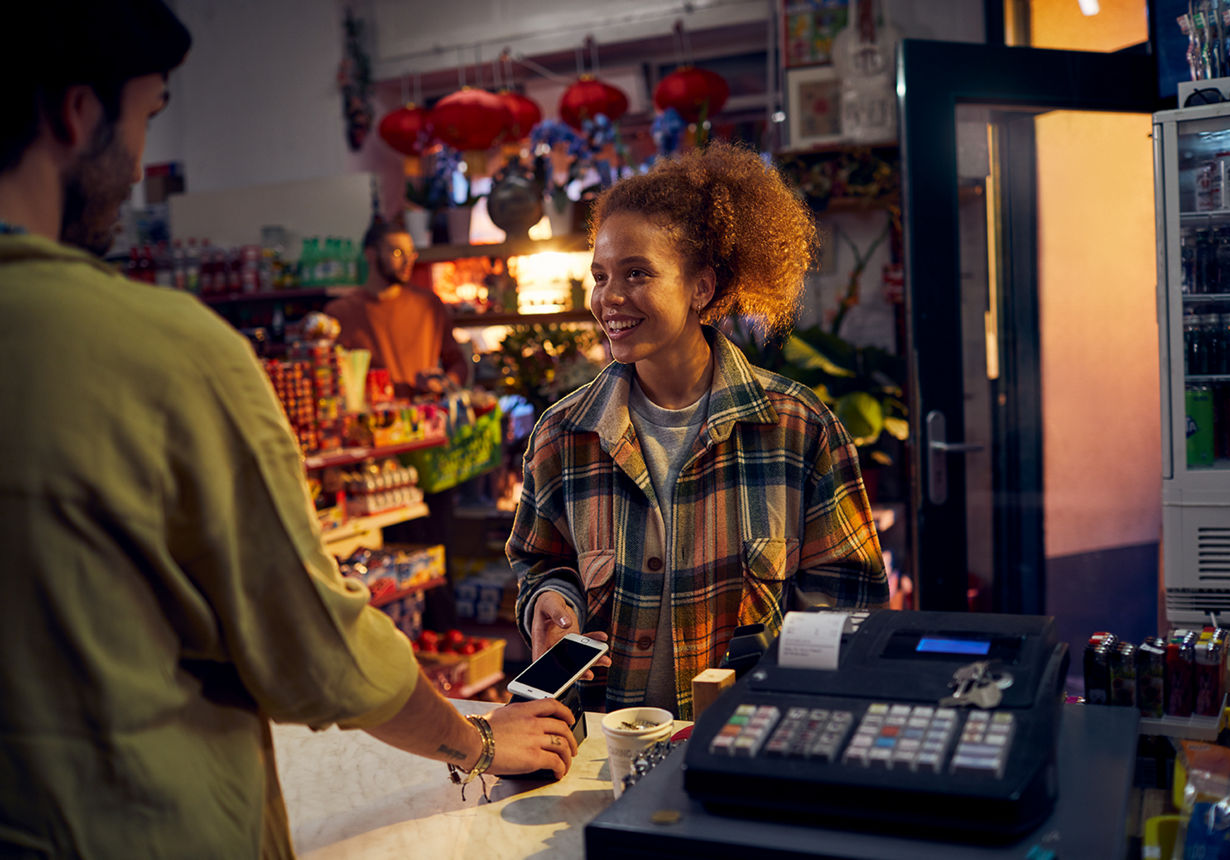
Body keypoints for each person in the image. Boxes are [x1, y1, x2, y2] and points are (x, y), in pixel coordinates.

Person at [0, 3, 575, 857]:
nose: (139, 163)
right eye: (147, 116)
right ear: (76, 114)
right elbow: (318, 646)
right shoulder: (164, 353)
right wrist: (480, 738)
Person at [508, 141, 889, 721]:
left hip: (746, 750)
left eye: (637, 273)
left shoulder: (797, 428)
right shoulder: (564, 435)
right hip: (599, 750)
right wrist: (551, 598)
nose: (609, 297)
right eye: (601, 274)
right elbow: (540, 562)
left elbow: (848, 606)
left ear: (701, 289)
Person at [324, 217, 469, 398]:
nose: (408, 260)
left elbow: (457, 363)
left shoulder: (429, 305)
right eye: (398, 252)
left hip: (424, 417)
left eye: (411, 253)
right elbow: (330, 377)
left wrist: (442, 384)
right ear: (371, 255)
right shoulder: (340, 313)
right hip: (372, 420)